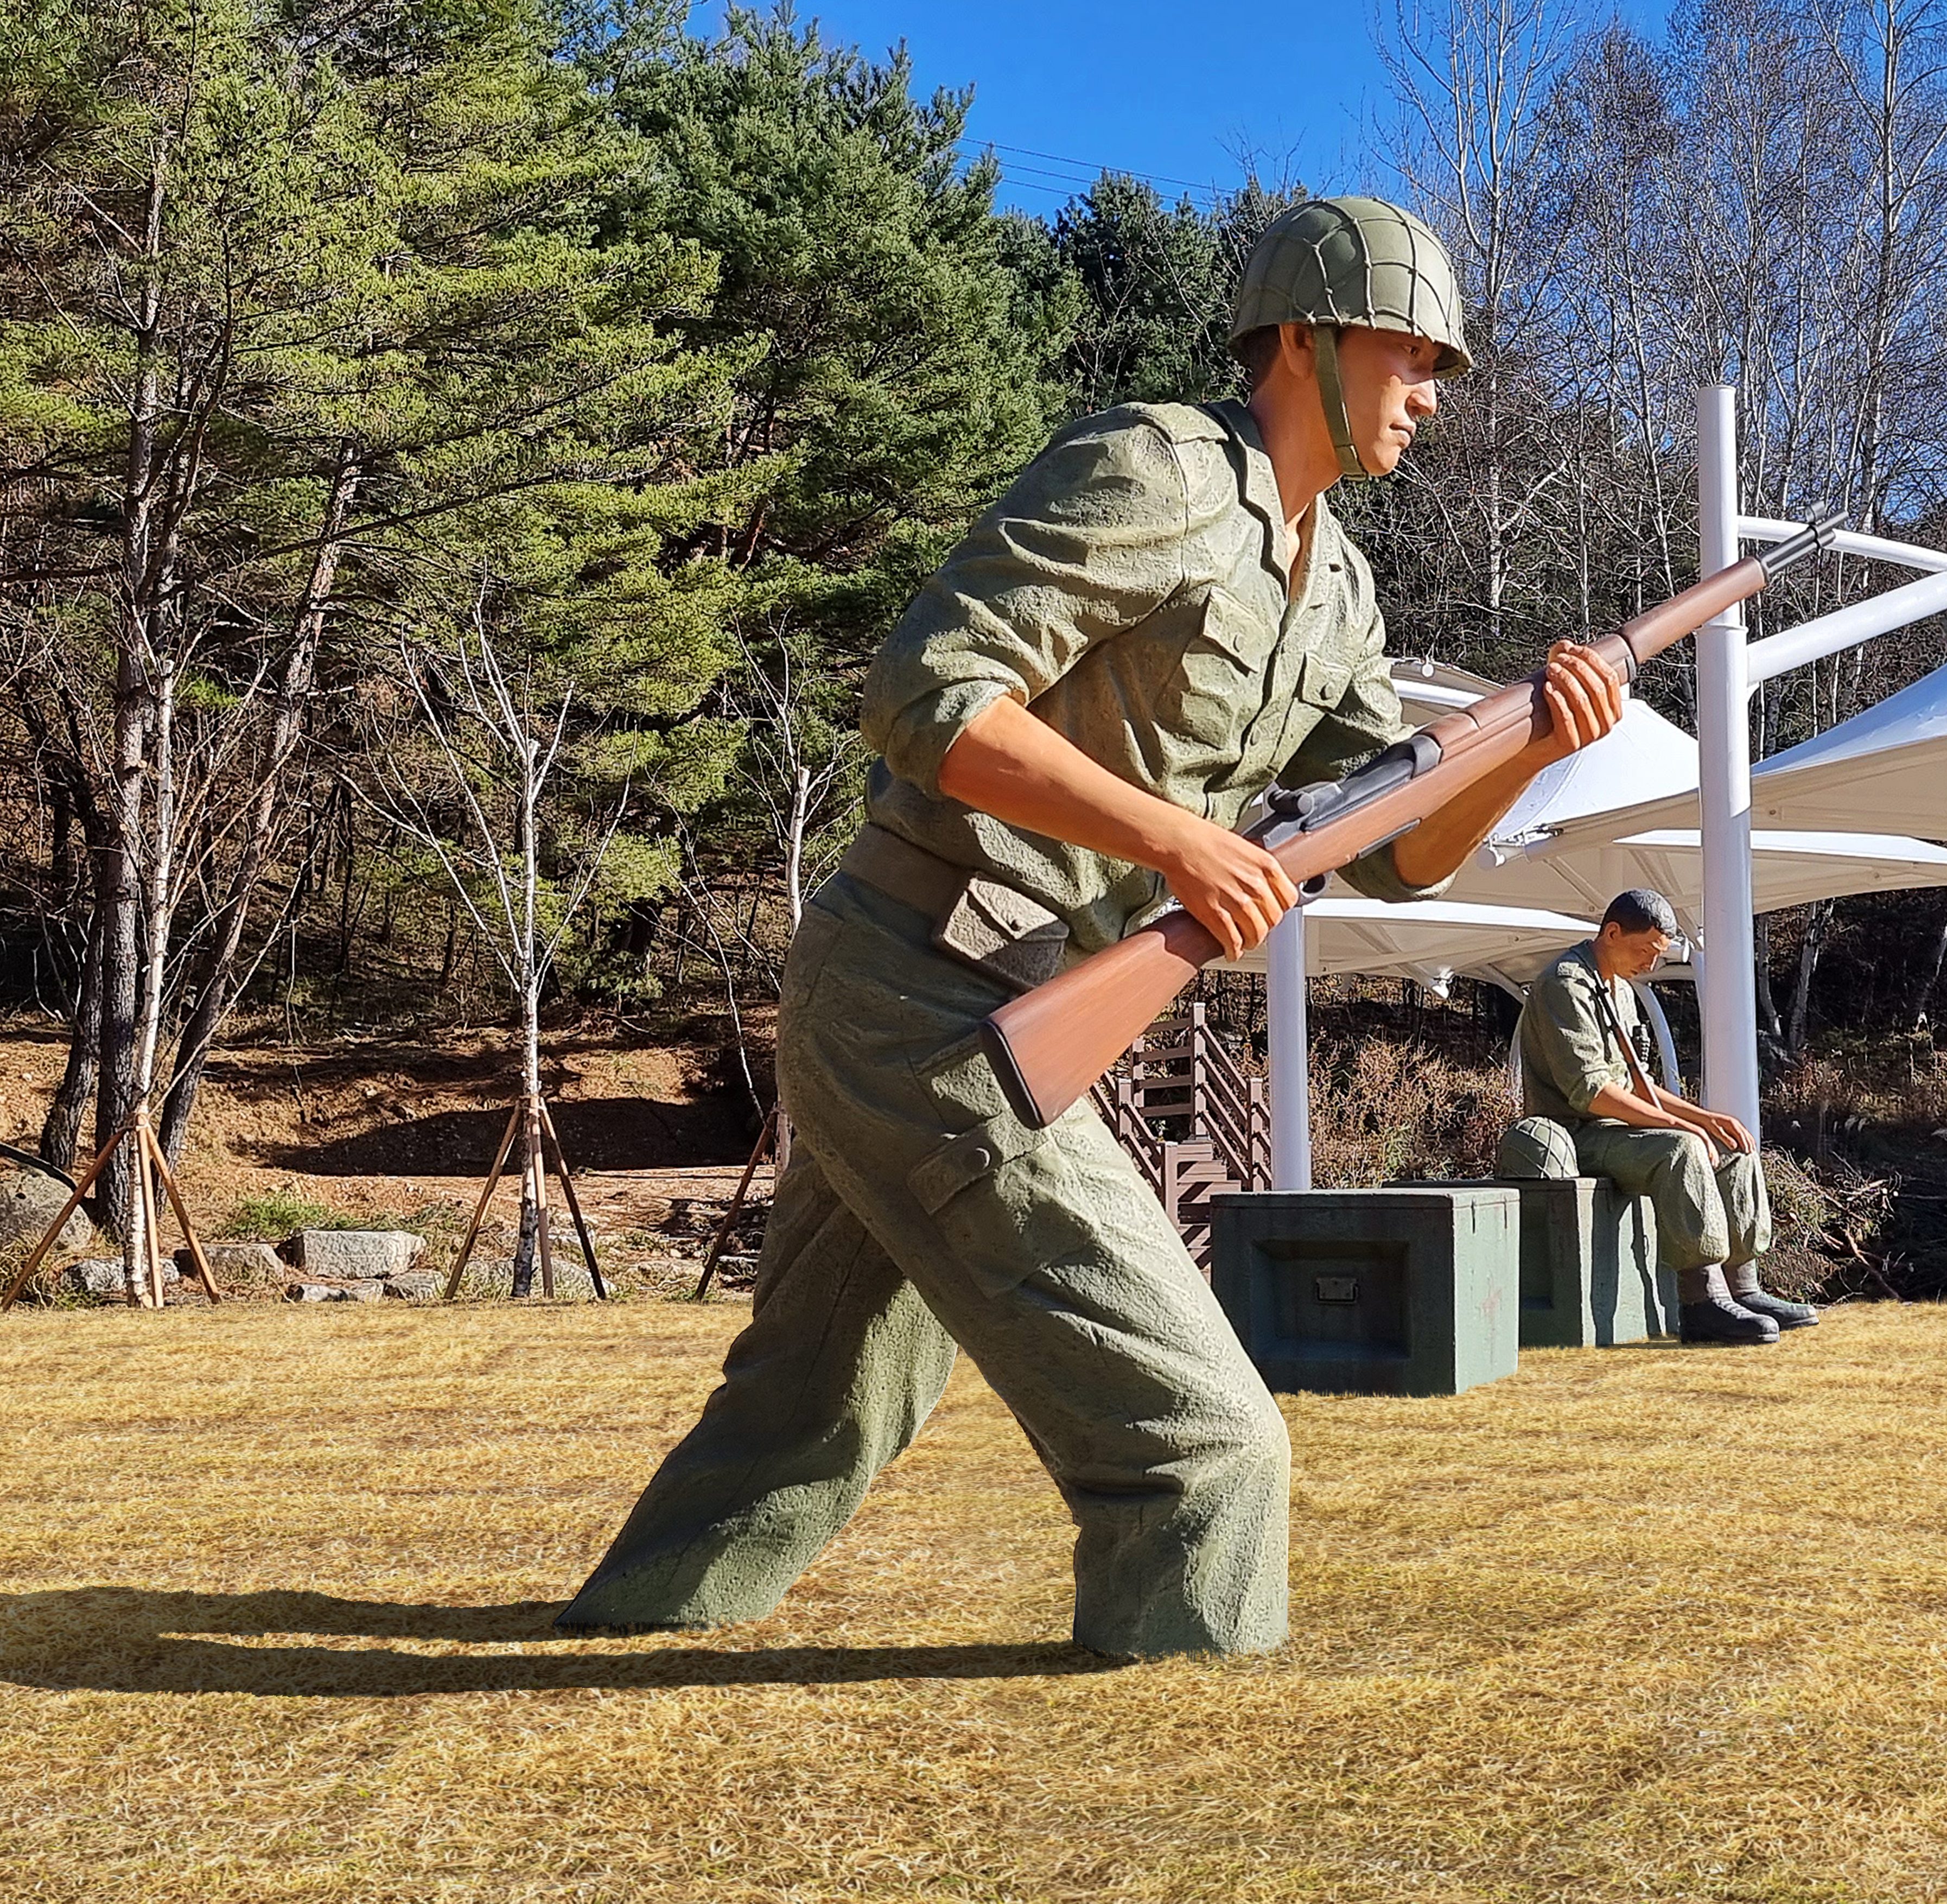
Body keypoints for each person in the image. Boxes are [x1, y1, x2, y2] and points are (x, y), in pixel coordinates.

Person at [555, 197, 1627, 1657]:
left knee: (817, 1400)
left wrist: (1531, 743)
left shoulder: (1344, 594)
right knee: (1207, 1445)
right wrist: (1178, 839)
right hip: (919, 986)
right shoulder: (1157, 472)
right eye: (1413, 357)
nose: (1433, 396)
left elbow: (1394, 861)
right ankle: (1188, 1735)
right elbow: (927, 693)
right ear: (1305, 340)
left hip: (999, 999)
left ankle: (624, 1627)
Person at [1515, 889, 1819, 1346]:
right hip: (1578, 1134)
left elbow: (1637, 1083)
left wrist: (1706, 1119)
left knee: (1733, 1147)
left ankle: (1744, 1288)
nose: (1651, 965)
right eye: (1644, 951)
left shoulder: (1618, 988)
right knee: (1681, 1150)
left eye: (1657, 955)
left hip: (1619, 1130)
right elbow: (1590, 1092)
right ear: (1612, 932)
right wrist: (1679, 1128)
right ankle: (1702, 1301)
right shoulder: (1565, 985)